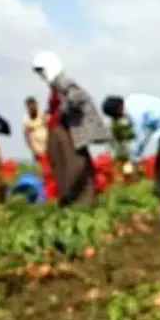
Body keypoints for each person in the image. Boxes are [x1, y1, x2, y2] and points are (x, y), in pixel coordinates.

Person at [31, 51, 111, 206]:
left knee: (75, 166)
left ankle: (79, 200)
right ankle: (74, 199)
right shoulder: (55, 84)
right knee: (64, 165)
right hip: (62, 131)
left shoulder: (62, 81)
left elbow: (78, 96)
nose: (41, 75)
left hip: (69, 132)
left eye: (42, 71)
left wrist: (61, 111)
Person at [102, 94, 160, 205]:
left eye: (117, 116)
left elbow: (139, 137)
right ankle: (159, 197)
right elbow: (145, 134)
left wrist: (134, 159)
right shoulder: (131, 103)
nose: (120, 118)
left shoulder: (134, 111)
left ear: (118, 109)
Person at [22, 96, 58, 200]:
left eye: (33, 105)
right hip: (38, 150)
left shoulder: (42, 115)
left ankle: (54, 195)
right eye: (29, 106)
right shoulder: (26, 119)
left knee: (53, 172)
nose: (31, 107)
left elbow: (50, 126)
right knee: (46, 173)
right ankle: (49, 196)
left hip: (49, 148)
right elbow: (27, 136)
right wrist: (33, 150)